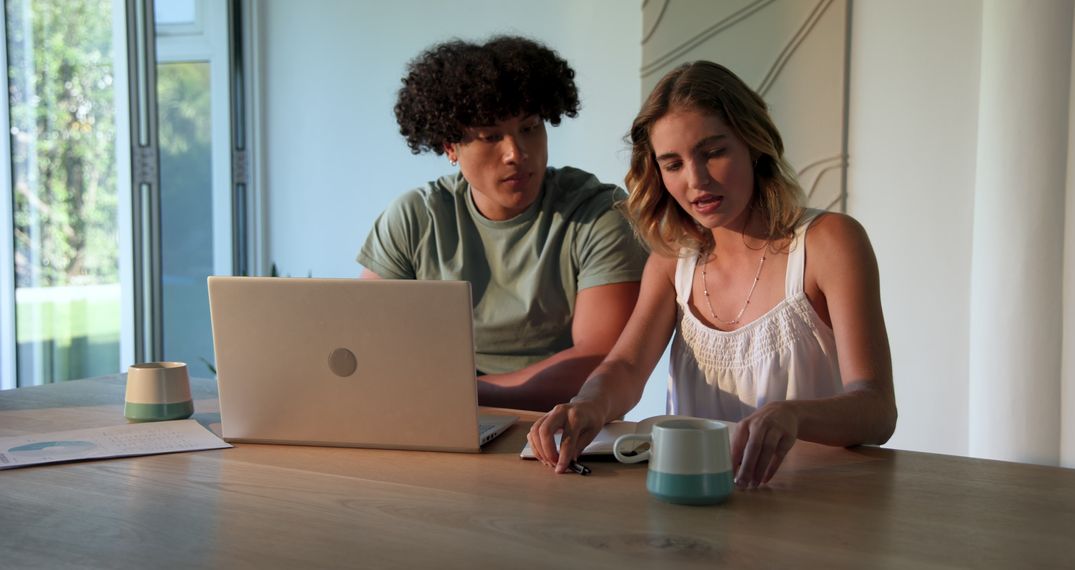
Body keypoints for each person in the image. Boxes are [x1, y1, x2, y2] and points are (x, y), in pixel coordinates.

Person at [527, 61, 897, 487]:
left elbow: (877, 410)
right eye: (673, 164)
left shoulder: (829, 242)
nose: (696, 180)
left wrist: (793, 414)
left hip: (813, 499)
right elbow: (627, 367)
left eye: (713, 152)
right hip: (694, 499)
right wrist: (587, 403)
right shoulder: (673, 261)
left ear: (754, 144)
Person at [357, 36, 647, 412]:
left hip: (560, 430)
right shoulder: (415, 218)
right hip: (435, 420)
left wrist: (462, 395)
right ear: (450, 147)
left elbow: (598, 360)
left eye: (529, 127)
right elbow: (367, 341)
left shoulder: (597, 214)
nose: (516, 153)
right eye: (492, 136)